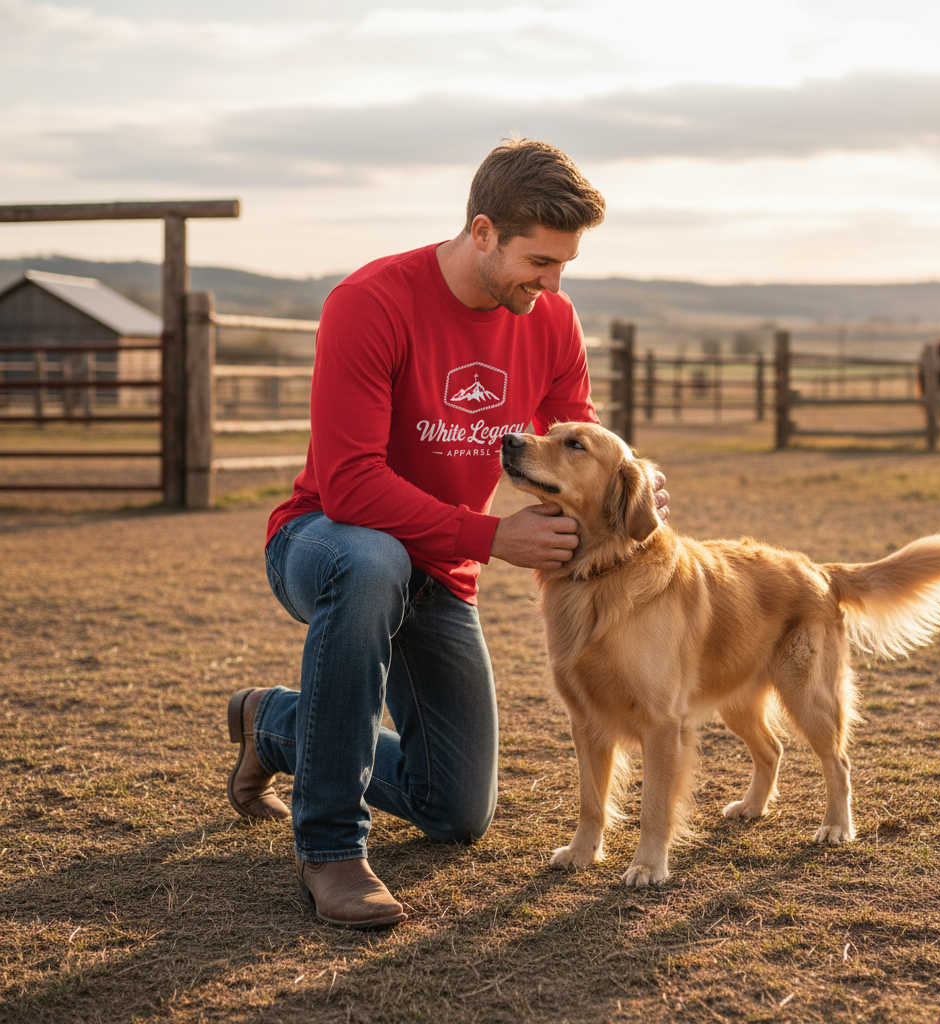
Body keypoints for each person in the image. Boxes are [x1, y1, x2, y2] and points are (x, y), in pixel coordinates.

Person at [225, 137, 667, 929]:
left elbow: (578, 436)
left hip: (440, 566)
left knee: (457, 810)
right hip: (325, 541)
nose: (553, 283)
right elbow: (352, 483)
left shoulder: (550, 319)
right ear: (485, 231)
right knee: (372, 560)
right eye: (541, 260)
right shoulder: (371, 302)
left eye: (564, 265)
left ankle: (279, 723)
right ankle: (329, 848)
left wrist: (628, 479)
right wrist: (491, 537)